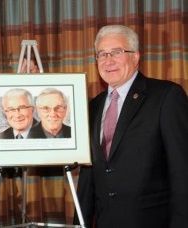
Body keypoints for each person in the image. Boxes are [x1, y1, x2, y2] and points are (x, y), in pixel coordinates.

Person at [75, 25, 188, 228]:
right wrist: (79, 224)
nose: (108, 60)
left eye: (117, 52)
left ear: (135, 56)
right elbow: (88, 176)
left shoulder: (166, 96)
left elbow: (183, 170)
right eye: (102, 54)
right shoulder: (92, 106)